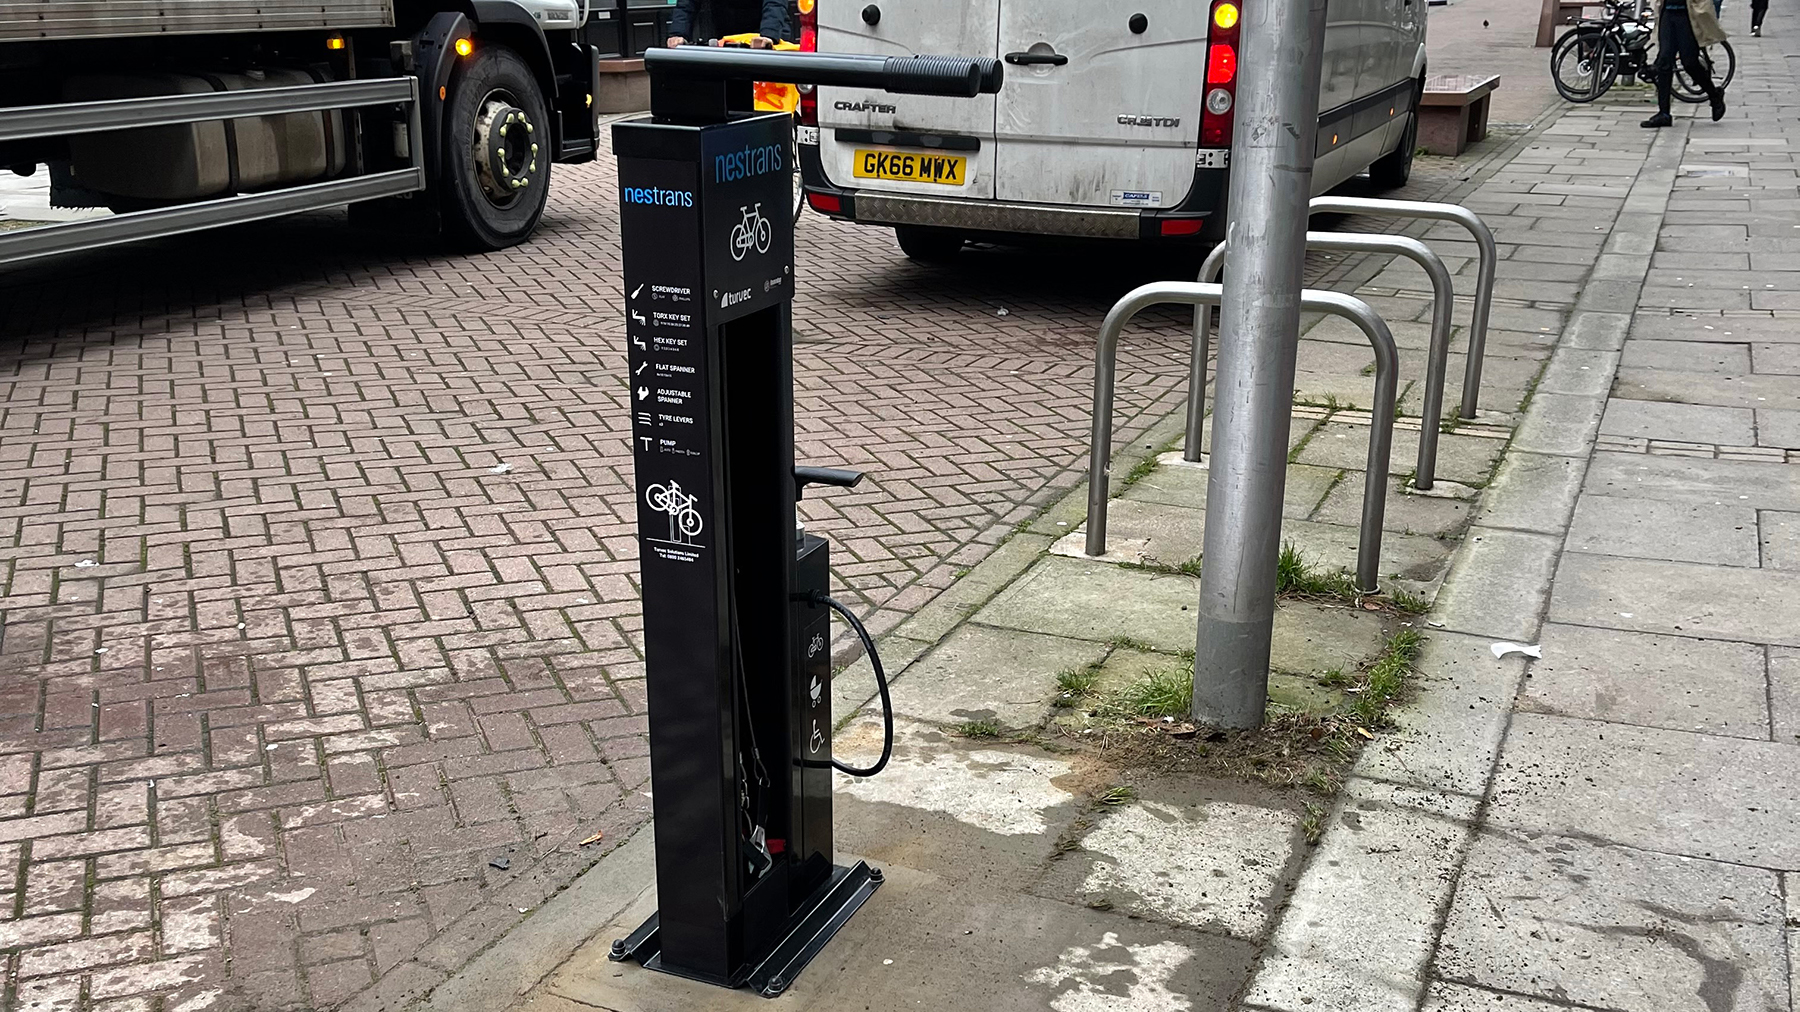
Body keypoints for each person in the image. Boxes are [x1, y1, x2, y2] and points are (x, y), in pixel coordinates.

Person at [1643, 0, 1729, 127]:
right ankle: (1664, 113)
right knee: (1664, 62)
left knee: (1689, 63)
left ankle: (1714, 95)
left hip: (1688, 14)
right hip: (1667, 12)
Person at [666, 0, 790, 48]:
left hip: (769, 32)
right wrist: (678, 34)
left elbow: (775, 3)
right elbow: (687, 4)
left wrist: (769, 34)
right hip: (730, 36)